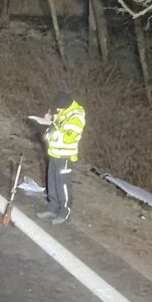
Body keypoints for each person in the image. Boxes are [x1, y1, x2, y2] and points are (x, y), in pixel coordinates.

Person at [36, 90, 86, 224]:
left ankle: (64, 212)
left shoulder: (77, 116)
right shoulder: (65, 111)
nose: (57, 110)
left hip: (65, 155)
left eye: (59, 108)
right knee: (52, 181)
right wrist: (50, 120)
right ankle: (52, 207)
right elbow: (59, 124)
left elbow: (68, 137)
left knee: (62, 184)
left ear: (66, 105)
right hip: (54, 152)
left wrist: (52, 129)